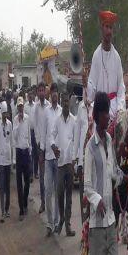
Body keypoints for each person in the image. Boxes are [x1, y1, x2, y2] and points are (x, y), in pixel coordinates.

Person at [85, 92, 128, 255]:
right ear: (97, 115)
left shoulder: (110, 140)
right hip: (96, 227)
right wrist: (97, 200)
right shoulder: (90, 148)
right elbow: (86, 185)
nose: (108, 118)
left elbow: (112, 173)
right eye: (105, 114)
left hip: (111, 224)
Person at [86, 10, 126, 125]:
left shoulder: (117, 57)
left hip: (114, 107)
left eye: (111, 28)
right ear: (102, 29)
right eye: (106, 27)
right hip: (100, 107)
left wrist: (120, 109)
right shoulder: (96, 55)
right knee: (92, 127)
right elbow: (92, 85)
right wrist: (86, 85)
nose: (109, 31)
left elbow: (121, 87)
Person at [51, 92, 76, 236]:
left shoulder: (74, 120)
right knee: (60, 192)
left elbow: (76, 140)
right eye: (64, 101)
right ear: (62, 102)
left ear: (70, 103)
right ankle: (61, 219)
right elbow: (51, 136)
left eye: (68, 102)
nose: (66, 104)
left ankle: (67, 225)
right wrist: (53, 146)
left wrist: (75, 158)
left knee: (69, 196)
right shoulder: (57, 120)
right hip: (60, 163)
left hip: (70, 163)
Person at [40, 83, 62, 236]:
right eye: (52, 92)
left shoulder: (63, 111)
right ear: (50, 94)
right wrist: (41, 152)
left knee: (57, 191)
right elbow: (43, 133)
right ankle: (49, 223)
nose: (54, 95)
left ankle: (56, 222)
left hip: (59, 157)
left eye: (56, 92)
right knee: (48, 191)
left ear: (58, 95)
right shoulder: (46, 112)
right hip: (48, 157)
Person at [73, 90, 93, 223]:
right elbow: (77, 136)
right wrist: (76, 160)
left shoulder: (96, 106)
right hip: (82, 160)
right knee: (83, 197)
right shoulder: (80, 108)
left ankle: (92, 229)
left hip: (94, 160)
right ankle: (84, 230)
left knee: (93, 196)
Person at [13, 97, 32, 221]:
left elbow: (29, 136)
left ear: (23, 107)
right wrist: (19, 123)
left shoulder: (28, 118)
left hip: (26, 153)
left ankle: (25, 201)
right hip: (19, 153)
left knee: (27, 182)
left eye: (21, 106)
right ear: (17, 107)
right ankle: (21, 209)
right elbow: (14, 136)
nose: (20, 108)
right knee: (19, 183)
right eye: (19, 106)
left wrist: (30, 150)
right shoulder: (15, 120)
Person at [34, 82, 50, 213]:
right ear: (37, 93)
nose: (41, 93)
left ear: (45, 92)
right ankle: (43, 203)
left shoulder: (50, 107)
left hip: (50, 145)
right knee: (42, 176)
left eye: (42, 90)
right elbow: (36, 128)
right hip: (40, 147)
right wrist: (39, 145)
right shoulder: (36, 108)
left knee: (50, 176)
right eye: (39, 90)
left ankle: (49, 202)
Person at [0, 101, 13, 223]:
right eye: (3, 113)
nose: (4, 115)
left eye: (6, 113)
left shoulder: (10, 124)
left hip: (8, 160)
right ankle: (2, 211)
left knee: (7, 187)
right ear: (0, 113)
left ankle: (7, 210)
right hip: (1, 161)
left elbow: (11, 141)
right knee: (1, 187)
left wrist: (12, 159)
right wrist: (0, 153)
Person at [24, 89, 38, 181]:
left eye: (31, 95)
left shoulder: (35, 106)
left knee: (35, 153)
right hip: (27, 132)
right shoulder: (25, 106)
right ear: (27, 96)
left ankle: (36, 172)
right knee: (29, 153)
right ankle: (30, 173)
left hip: (34, 132)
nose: (30, 96)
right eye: (29, 95)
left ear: (33, 96)